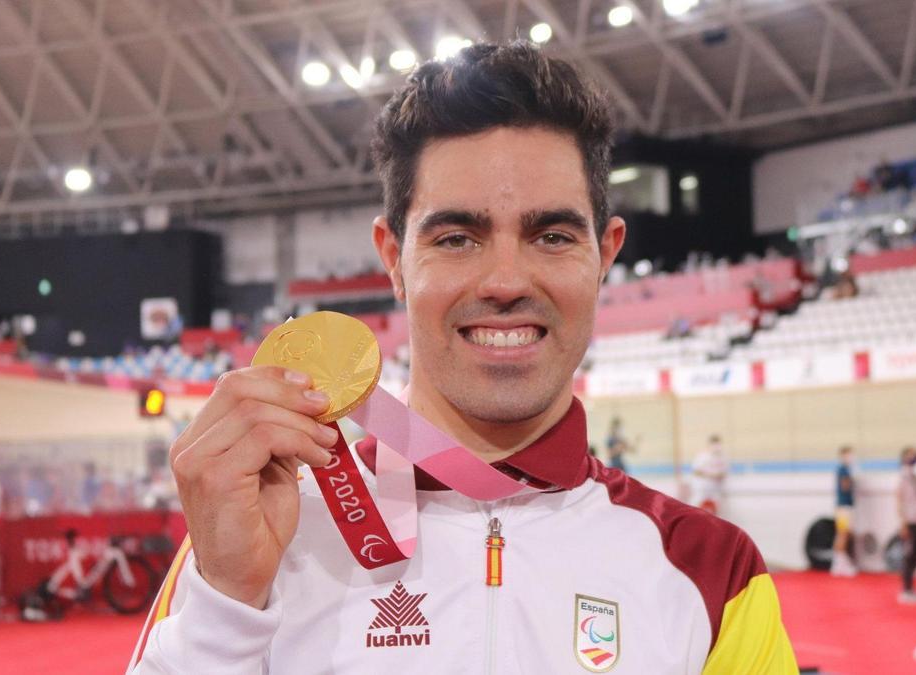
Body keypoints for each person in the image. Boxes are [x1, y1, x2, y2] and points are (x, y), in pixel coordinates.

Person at [130, 41, 796, 673]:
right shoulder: (261, 534)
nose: (506, 281)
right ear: (394, 259)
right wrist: (226, 604)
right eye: (457, 238)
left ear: (606, 255)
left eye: (552, 235)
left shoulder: (712, 570)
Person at [897, 446, 916, 603]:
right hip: (909, 521)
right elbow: (899, 500)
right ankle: (906, 589)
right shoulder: (902, 477)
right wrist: (903, 522)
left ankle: (912, 588)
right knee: (909, 556)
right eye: (909, 456)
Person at [831, 446, 858, 577]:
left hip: (843, 506)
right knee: (843, 534)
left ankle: (839, 562)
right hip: (844, 506)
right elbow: (845, 486)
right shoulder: (844, 470)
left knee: (843, 534)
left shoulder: (843, 469)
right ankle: (839, 563)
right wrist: (852, 481)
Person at [691, 435, 729, 515]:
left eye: (718, 444)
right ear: (709, 445)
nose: (716, 447)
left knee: (715, 511)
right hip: (703, 488)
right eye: (714, 444)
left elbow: (724, 472)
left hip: (716, 489)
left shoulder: (723, 458)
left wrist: (719, 475)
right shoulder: (702, 457)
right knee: (699, 510)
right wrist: (709, 475)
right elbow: (696, 471)